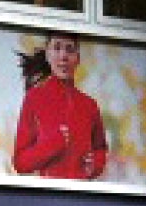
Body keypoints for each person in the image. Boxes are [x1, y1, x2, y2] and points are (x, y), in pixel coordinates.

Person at [11, 33, 108, 180]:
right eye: (57, 48)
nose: (63, 56)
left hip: (83, 196)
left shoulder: (90, 105)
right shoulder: (34, 98)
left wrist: (95, 164)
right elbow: (20, 163)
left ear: (78, 58)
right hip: (50, 195)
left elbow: (100, 149)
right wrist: (53, 144)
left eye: (70, 49)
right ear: (48, 55)